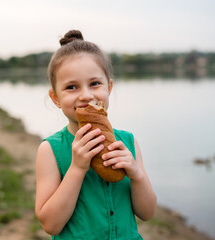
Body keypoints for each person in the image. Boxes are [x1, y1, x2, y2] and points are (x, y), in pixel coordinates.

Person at [35, 30, 157, 240]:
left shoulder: (127, 142)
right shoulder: (50, 150)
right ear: (55, 98)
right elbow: (50, 225)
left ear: (108, 87)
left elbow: (147, 213)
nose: (86, 95)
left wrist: (136, 174)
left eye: (94, 84)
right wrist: (77, 168)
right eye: (71, 87)